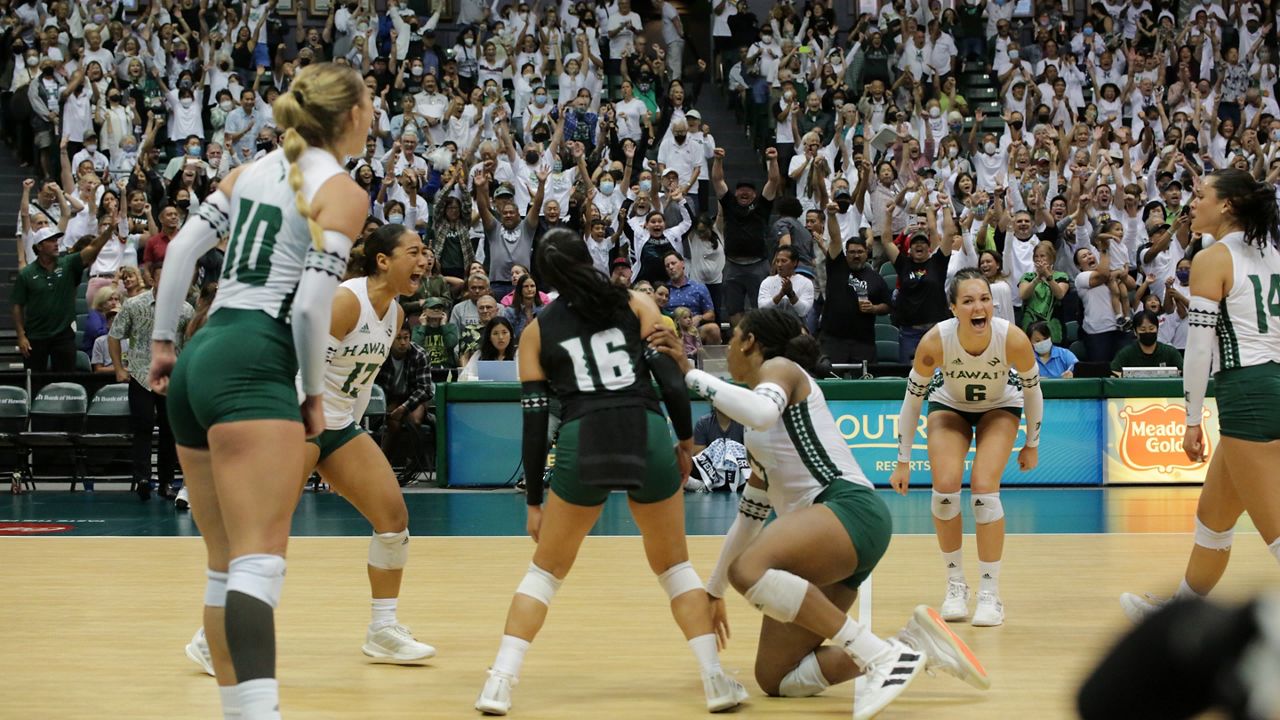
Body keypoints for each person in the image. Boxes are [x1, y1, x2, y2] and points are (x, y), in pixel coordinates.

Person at [147, 63, 372, 720]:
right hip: (255, 356)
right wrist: (310, 392)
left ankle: (238, 711)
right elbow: (308, 311)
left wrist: (164, 341)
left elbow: (185, 248)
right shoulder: (342, 190)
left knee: (224, 567)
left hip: (202, 354)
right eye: (370, 103)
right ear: (350, 115)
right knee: (258, 565)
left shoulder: (249, 172)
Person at [649, 307, 989, 719]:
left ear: (749, 341)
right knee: (777, 678)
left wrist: (688, 372)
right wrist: (714, 591)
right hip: (828, 540)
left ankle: (879, 656)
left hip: (847, 509)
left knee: (749, 569)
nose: (728, 350)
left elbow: (759, 411)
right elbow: (749, 518)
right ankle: (913, 645)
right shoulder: (757, 436)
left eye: (732, 338)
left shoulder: (782, 369)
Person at [475, 229, 747, 715]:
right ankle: (715, 680)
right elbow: (669, 378)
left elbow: (535, 425)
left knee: (544, 574)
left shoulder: (535, 333)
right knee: (675, 568)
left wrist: (533, 501)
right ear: (589, 256)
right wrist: (685, 441)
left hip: (585, 439)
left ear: (545, 277)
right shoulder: (638, 303)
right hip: (645, 431)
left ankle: (499, 682)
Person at [185, 224, 436, 678]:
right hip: (296, 420)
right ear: (384, 260)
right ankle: (212, 638)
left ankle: (382, 629)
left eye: (426, 252)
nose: (425, 260)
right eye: (415, 252)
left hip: (338, 425)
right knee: (266, 533)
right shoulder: (346, 301)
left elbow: (359, 385)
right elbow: (296, 368)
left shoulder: (396, 314)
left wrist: (346, 445)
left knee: (393, 520)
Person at [1120, 168, 1280, 622]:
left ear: (1226, 205)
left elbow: (1198, 349)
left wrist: (1192, 419)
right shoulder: (1272, 255)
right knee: (1213, 521)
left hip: (1245, 390)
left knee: (1275, 533)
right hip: (1271, 382)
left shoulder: (1214, 257)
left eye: (1198, 194)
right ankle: (1177, 620)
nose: (1191, 203)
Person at [889, 268, 1044, 628]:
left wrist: (1031, 443)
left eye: (985, 299)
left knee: (984, 490)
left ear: (994, 304)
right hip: (950, 407)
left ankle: (990, 593)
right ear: (953, 308)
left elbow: (1033, 392)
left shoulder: (1013, 339)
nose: (979, 307)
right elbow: (911, 402)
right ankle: (956, 585)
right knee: (944, 489)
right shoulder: (934, 342)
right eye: (969, 301)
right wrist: (902, 460)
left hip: (1000, 408)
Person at [109, 263, 193, 504]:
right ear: (152, 279)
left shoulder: (185, 310)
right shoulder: (134, 305)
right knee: (143, 426)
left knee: (169, 431)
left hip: (171, 376)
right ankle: (143, 478)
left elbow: (189, 343)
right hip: (140, 374)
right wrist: (118, 368)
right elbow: (114, 336)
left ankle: (166, 482)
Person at [11, 224, 113, 372]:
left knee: (66, 380)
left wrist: (109, 230)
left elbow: (93, 248)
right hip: (35, 335)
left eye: (56, 240)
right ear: (39, 246)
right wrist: (21, 336)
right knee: (34, 381)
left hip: (63, 334)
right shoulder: (26, 273)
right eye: (51, 241)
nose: (56, 244)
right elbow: (17, 305)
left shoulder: (68, 263)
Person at [1109, 310, 1183, 376]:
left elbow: (1184, 372)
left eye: (1151, 328)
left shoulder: (1170, 352)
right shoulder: (1126, 353)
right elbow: (1113, 373)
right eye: (1143, 329)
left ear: (1157, 329)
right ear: (1135, 332)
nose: (1148, 332)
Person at [459, 316, 518, 381]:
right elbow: (463, 378)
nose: (500, 337)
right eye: (495, 333)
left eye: (504, 333)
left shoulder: (519, 354)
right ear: (489, 337)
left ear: (511, 335)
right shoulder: (480, 355)